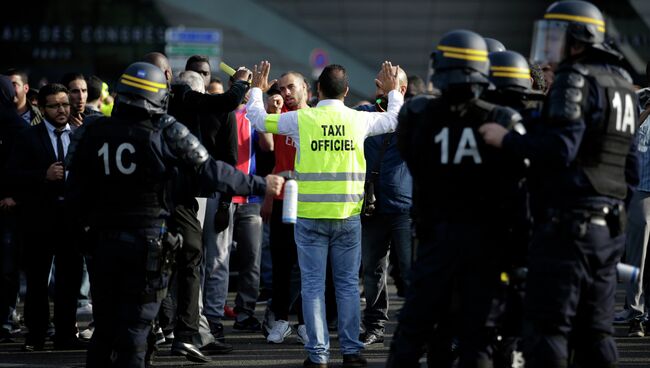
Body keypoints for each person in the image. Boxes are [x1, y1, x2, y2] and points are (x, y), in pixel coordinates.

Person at [65, 62, 283, 368]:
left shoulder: (90, 130)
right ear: (159, 96)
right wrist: (260, 183)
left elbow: (73, 188)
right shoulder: (165, 129)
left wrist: (81, 235)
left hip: (101, 244)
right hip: (146, 241)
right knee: (137, 331)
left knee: (105, 328)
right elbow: (209, 169)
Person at [479, 1, 639, 366]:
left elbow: (560, 148)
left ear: (577, 39)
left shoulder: (575, 78)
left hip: (570, 231)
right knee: (596, 332)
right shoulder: (623, 85)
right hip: (609, 228)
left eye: (556, 35)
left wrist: (506, 139)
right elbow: (630, 166)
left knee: (548, 328)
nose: (549, 45)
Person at [247, 60, 402, 368]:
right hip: (347, 216)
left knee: (313, 286)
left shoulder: (302, 119)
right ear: (346, 91)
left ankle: (318, 355)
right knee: (346, 286)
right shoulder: (359, 120)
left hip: (309, 216)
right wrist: (393, 91)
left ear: (317, 90)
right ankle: (351, 352)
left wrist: (256, 90)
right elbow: (395, 119)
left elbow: (259, 120)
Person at [386, 29, 525, 367]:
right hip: (485, 247)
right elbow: (519, 176)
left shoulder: (417, 115)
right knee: (478, 340)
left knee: (414, 335)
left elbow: (413, 158)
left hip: (435, 241)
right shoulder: (500, 119)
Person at [142, 52, 250, 361]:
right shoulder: (177, 98)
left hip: (173, 196)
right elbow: (218, 105)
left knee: (185, 259)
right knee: (182, 259)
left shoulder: (150, 105)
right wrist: (240, 85)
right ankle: (179, 332)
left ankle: (180, 332)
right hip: (168, 197)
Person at [7, 83, 86, 351]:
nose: (63, 109)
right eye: (55, 105)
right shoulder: (28, 137)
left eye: (65, 104)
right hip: (39, 219)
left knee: (70, 280)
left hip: (71, 220)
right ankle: (36, 335)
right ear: (42, 107)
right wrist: (43, 175)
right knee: (38, 281)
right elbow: (12, 175)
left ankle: (66, 334)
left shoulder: (79, 134)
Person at [354, 66, 412, 347]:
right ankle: (374, 326)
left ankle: (420, 328)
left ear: (401, 90)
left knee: (412, 270)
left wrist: (393, 97)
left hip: (404, 207)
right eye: (377, 84)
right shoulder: (365, 114)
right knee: (372, 271)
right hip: (372, 206)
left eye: (385, 85)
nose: (378, 90)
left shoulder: (412, 115)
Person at [0, 75, 28, 339]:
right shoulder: (19, 126)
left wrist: (14, 196)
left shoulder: (18, 129)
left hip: (10, 207)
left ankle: (7, 316)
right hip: (10, 204)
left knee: (8, 267)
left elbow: (20, 170)